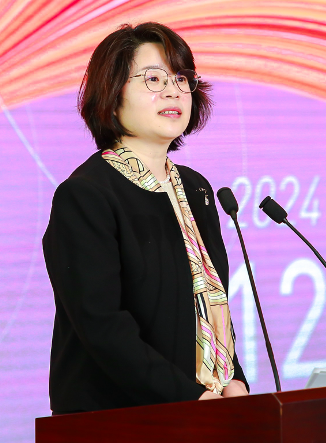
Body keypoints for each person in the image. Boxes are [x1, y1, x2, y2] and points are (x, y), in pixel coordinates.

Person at [42, 22, 250, 414]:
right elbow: (103, 327)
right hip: (118, 420)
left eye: (181, 79)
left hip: (203, 413)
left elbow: (207, 308)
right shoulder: (86, 196)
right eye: (153, 79)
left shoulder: (196, 190)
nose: (173, 91)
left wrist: (233, 380)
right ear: (111, 94)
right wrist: (190, 398)